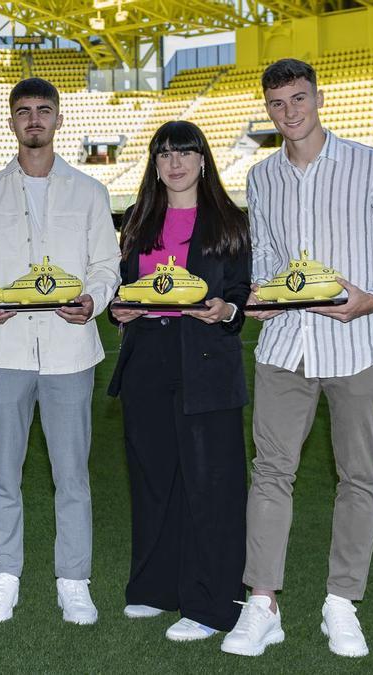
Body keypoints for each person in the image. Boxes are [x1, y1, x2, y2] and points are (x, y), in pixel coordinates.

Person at [222, 59, 373, 658]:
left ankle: (341, 603)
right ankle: (263, 603)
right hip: (285, 344)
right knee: (270, 472)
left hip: (358, 345)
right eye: (278, 104)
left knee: (357, 476)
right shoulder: (261, 178)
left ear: (318, 98)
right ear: (267, 109)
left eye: (299, 99)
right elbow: (266, 257)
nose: (290, 113)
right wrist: (259, 298)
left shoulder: (371, 164)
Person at [0, 77, 120, 624]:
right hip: (3, 349)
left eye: (43, 111)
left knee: (71, 474)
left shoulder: (91, 193)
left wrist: (93, 300)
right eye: (24, 111)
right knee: (3, 470)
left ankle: (74, 580)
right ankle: (2, 574)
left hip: (70, 350)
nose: (34, 120)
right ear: (11, 121)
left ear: (57, 120)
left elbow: (106, 267)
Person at [107, 121, 250, 641]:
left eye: (185, 152)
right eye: (164, 153)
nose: (175, 162)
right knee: (153, 478)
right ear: (155, 163)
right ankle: (155, 588)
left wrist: (225, 308)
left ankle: (211, 603)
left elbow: (239, 294)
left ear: (202, 159)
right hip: (147, 358)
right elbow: (125, 288)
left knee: (209, 484)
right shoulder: (140, 219)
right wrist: (117, 310)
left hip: (205, 359)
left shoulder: (229, 221)